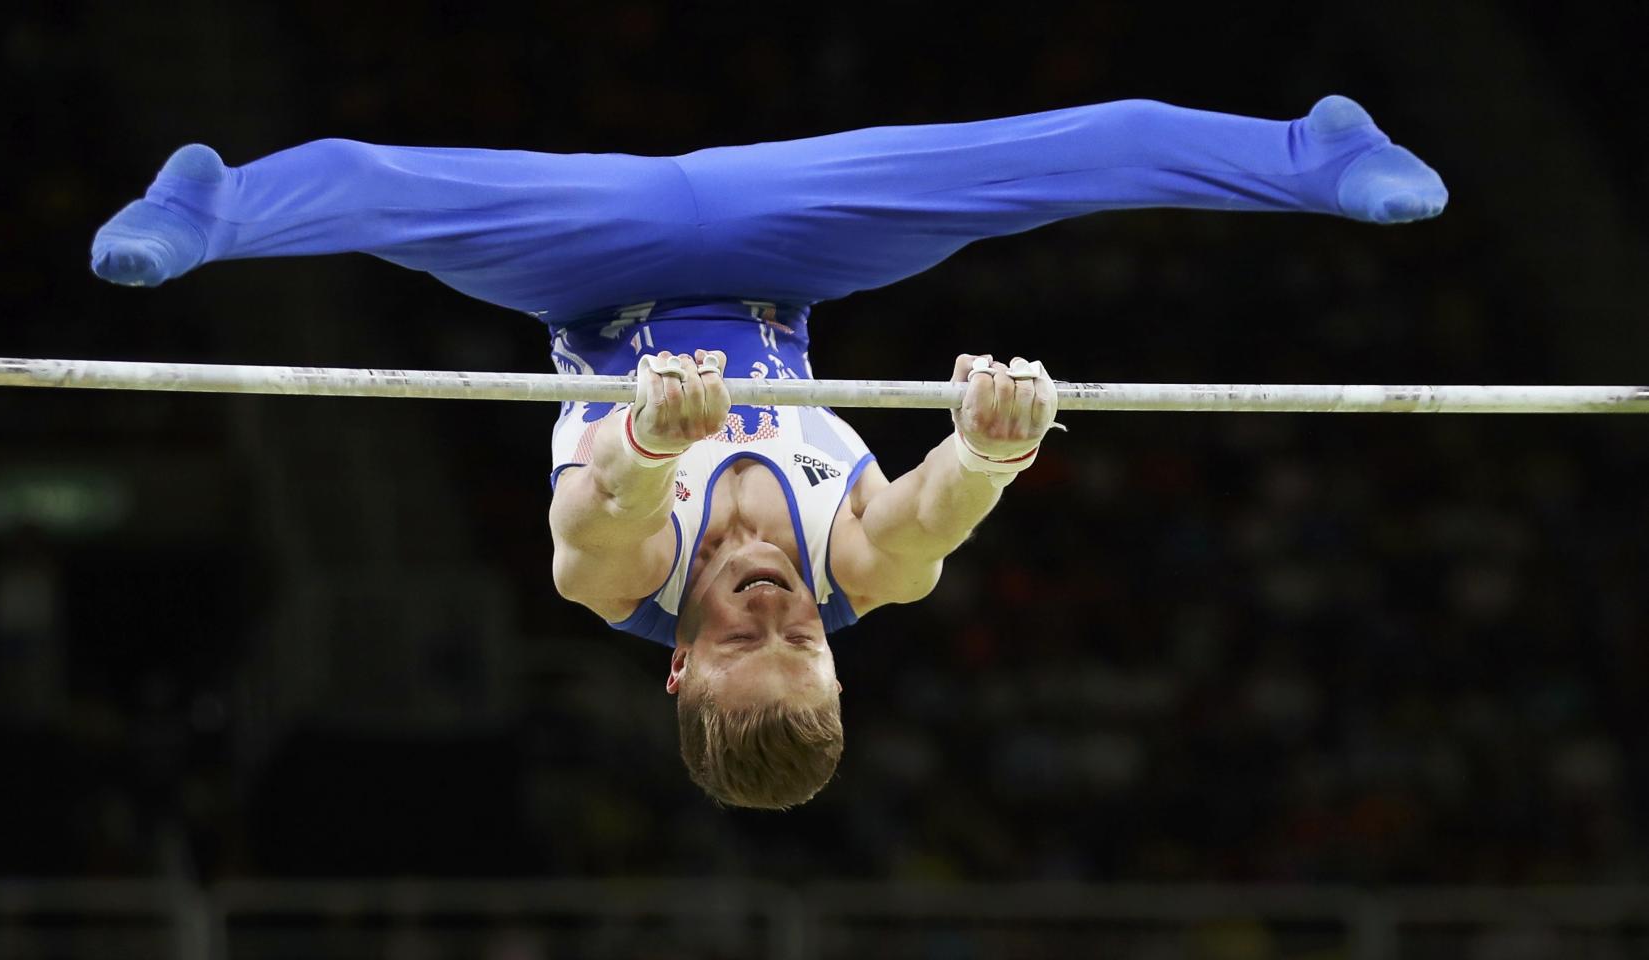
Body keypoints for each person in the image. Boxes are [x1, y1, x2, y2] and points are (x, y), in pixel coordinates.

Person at [90, 95, 1447, 809]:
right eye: (806, 648)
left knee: (367, 183)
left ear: (679, 666)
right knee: (1066, 157)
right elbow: (920, 520)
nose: (777, 618)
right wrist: (989, 445)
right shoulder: (865, 572)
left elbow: (604, 518)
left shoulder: (610, 584)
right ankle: (1305, 152)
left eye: (745, 651)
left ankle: (212, 205)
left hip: (590, 268)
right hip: (782, 256)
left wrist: (640, 437)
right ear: (838, 663)